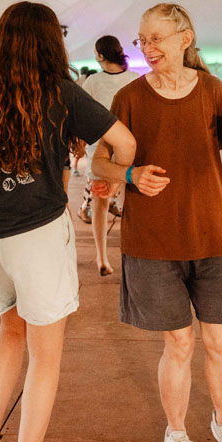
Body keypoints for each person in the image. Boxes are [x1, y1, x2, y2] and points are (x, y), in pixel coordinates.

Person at [0, 1, 134, 442]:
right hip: (38, 234)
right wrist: (113, 179)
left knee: (9, 333)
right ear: (51, 42)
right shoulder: (60, 91)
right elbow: (124, 142)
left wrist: (4, 164)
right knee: (46, 355)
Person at [90, 2, 222, 442]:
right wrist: (130, 174)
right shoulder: (129, 97)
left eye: (156, 39)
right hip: (153, 241)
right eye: (142, 40)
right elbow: (100, 161)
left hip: (211, 235)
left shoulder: (212, 89)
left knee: (220, 340)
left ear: (185, 38)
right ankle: (177, 432)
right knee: (179, 344)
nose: (147, 48)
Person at [75, 35, 139, 275]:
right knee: (129, 203)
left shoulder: (93, 82)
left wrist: (80, 143)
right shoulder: (135, 79)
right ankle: (132, 255)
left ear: (100, 55)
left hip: (99, 150)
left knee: (99, 204)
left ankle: (102, 258)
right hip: (129, 148)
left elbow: (82, 115)